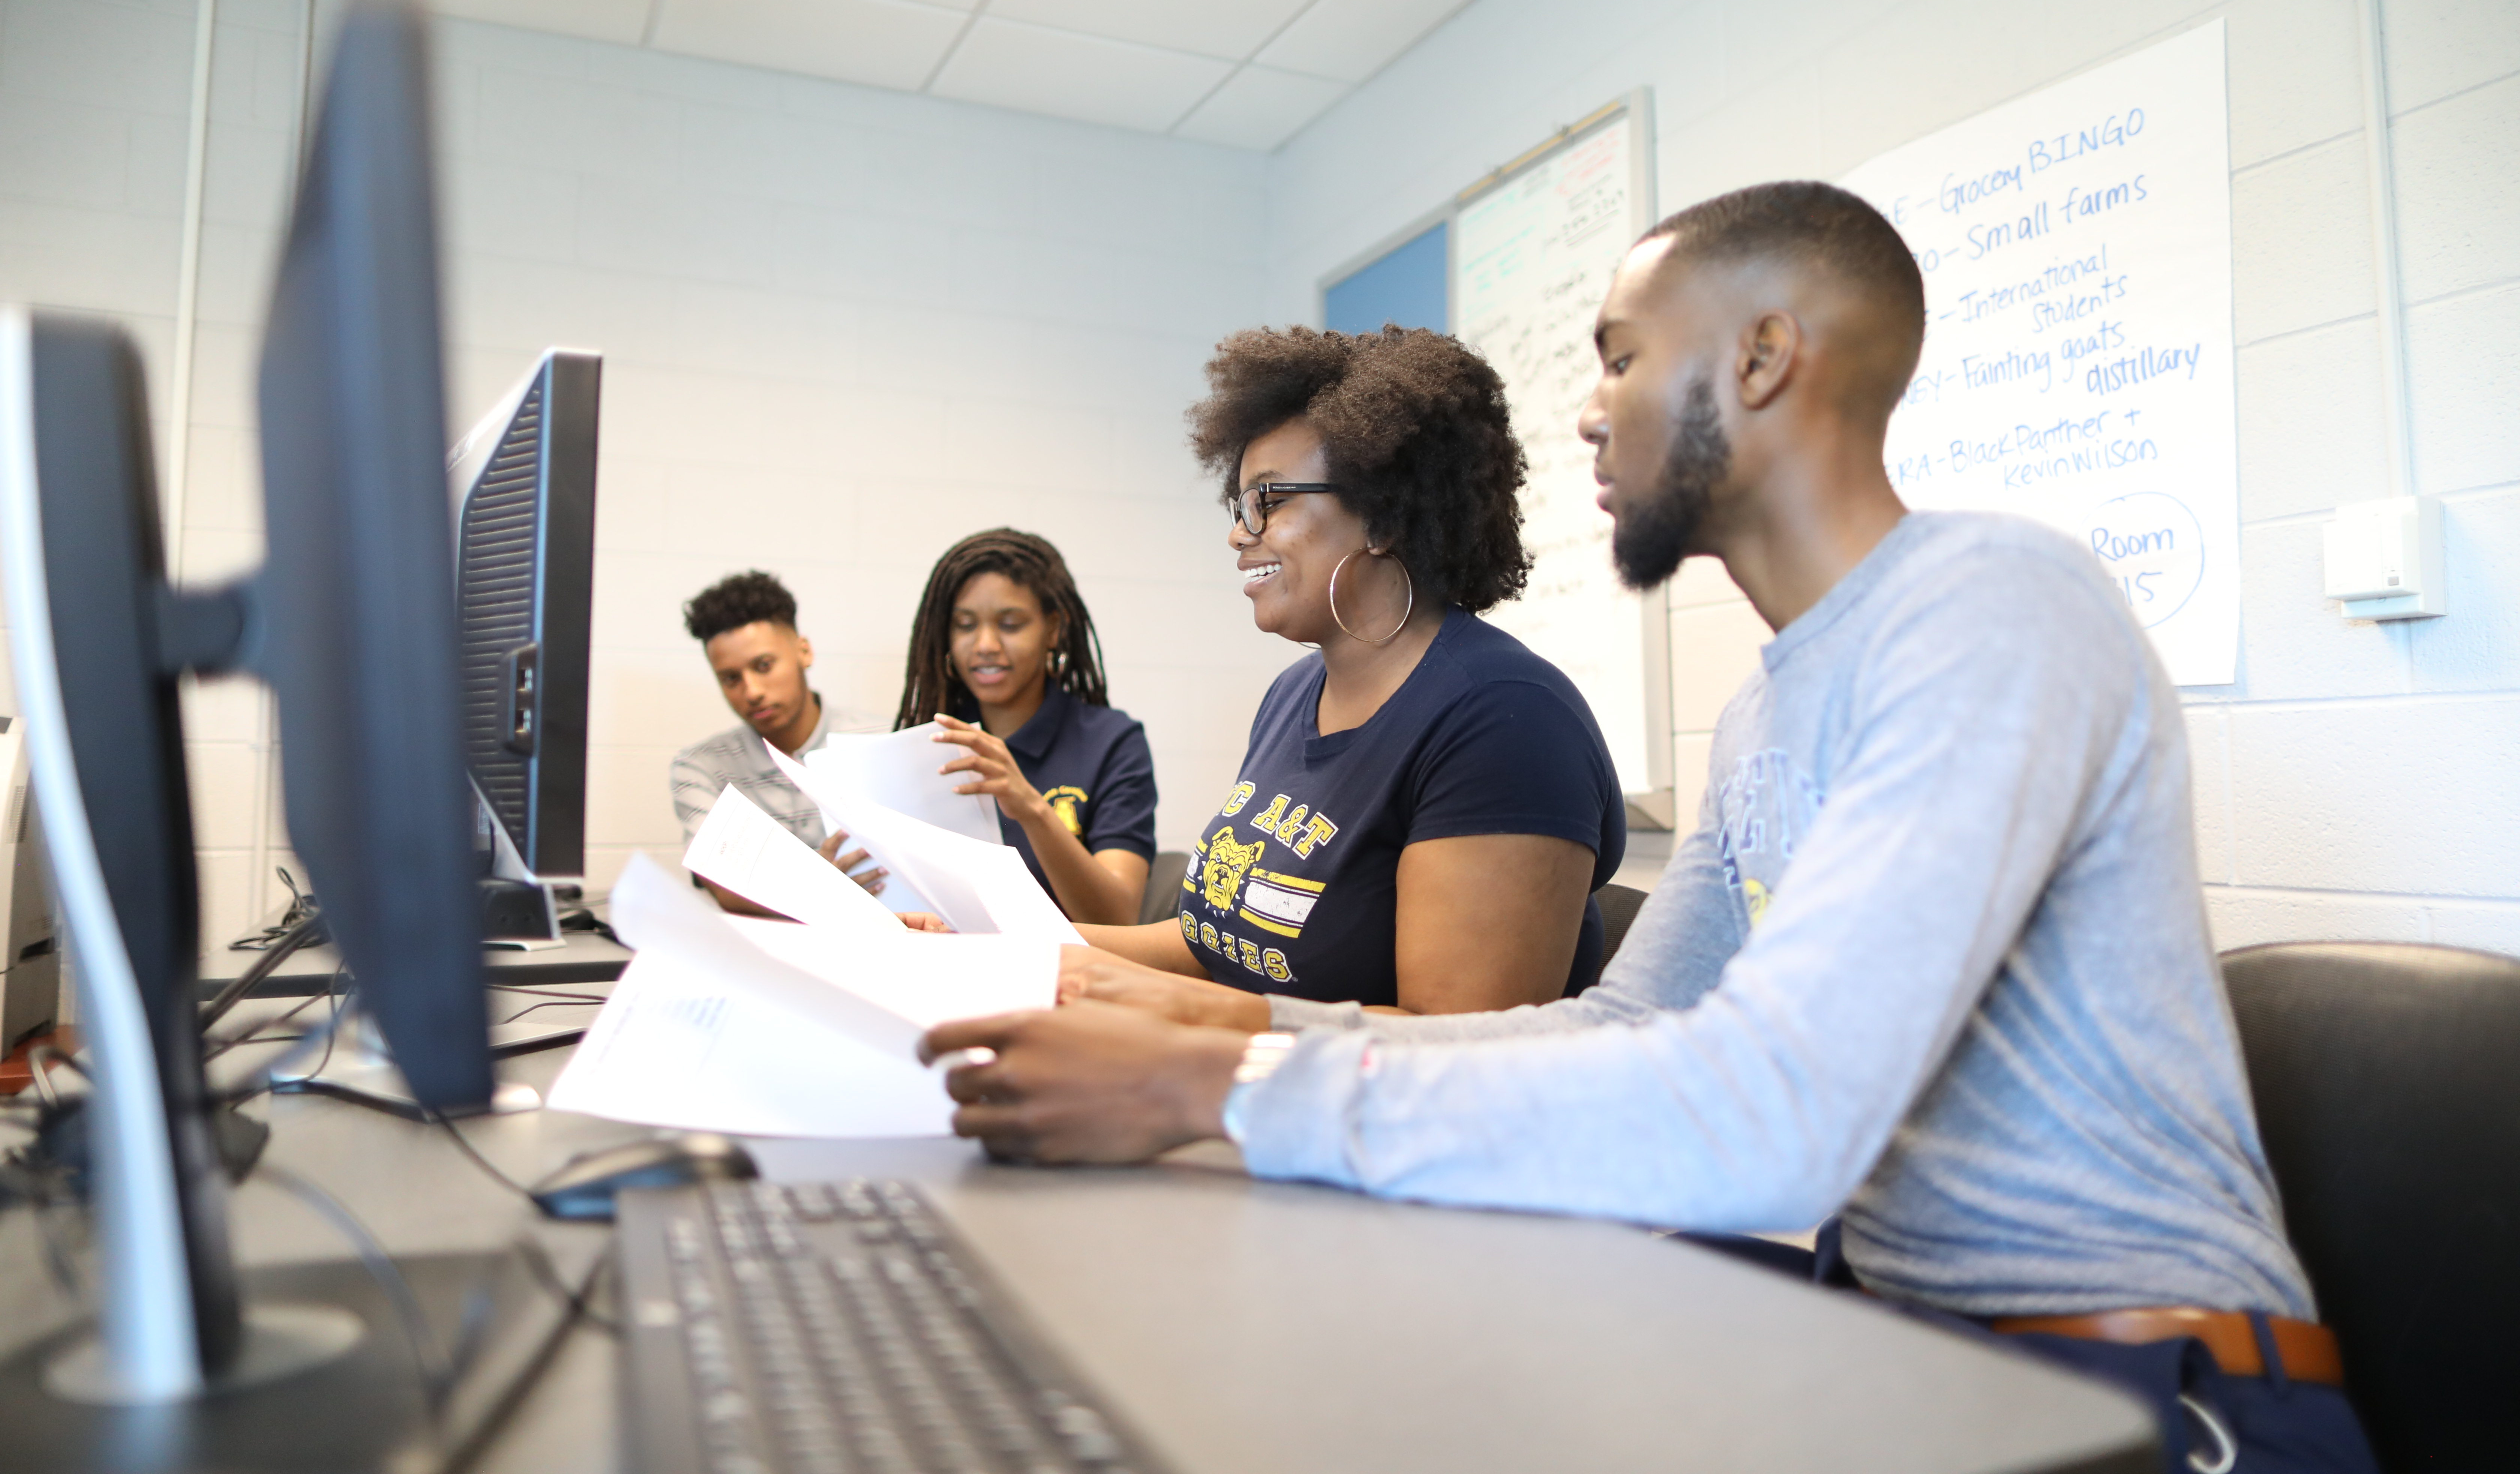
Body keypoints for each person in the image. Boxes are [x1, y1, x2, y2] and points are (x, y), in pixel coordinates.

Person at [920, 183, 2376, 1473]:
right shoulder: (1763, 713)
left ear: (1760, 355)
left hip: (2143, 1387)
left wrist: (1217, 1092)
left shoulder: (1996, 603)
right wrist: (1226, 1045)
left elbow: (1779, 1115)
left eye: (1621, 356)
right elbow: (1624, 1024)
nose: (1587, 408)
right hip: (1903, 1356)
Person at [1050, 325, 1624, 1022]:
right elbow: (1221, 947)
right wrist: (998, 946)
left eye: (1271, 499)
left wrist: (1171, 1013)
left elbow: (1457, 1046)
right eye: (1240, 505)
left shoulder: (1508, 720)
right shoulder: (1293, 694)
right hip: (1256, 1087)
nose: (1239, 531)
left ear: (1384, 516)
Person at [889, 530, 1156, 927]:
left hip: (1059, 978)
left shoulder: (1112, 743)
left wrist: (1032, 809)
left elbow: (1117, 917)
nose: (985, 644)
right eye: (964, 625)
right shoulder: (928, 742)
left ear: (1053, 629)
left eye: (1011, 624)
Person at [669, 569, 883, 913]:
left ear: (804, 652)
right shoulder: (700, 768)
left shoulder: (882, 742)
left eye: (764, 666)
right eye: (731, 678)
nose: (752, 692)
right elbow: (724, 888)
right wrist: (818, 890)